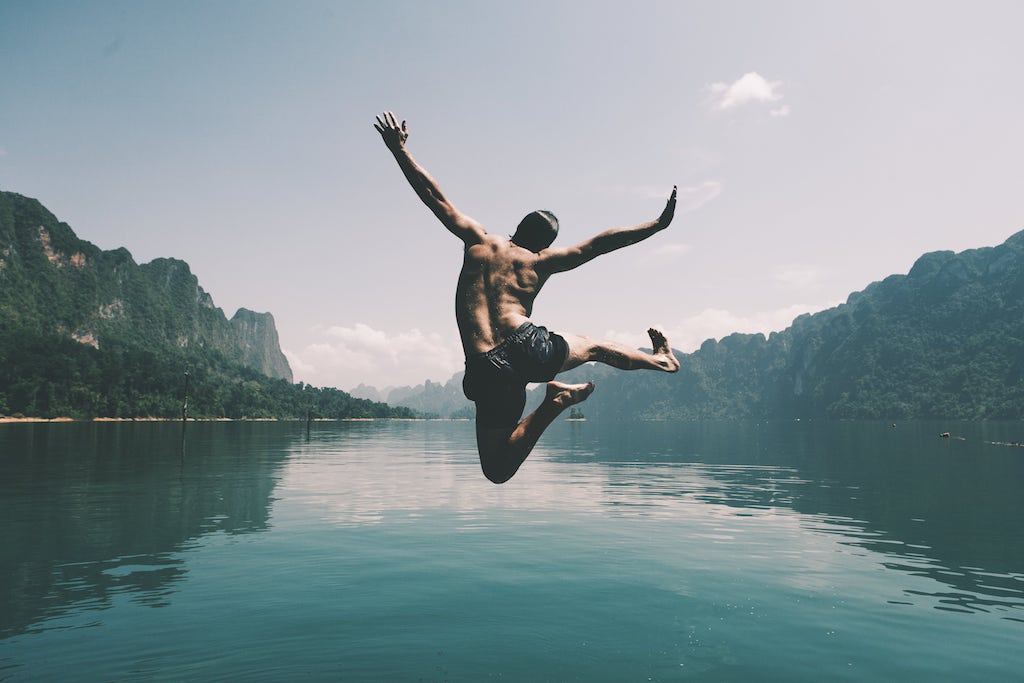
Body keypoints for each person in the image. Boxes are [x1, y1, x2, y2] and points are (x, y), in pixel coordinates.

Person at [374, 111, 680, 484]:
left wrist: (399, 150)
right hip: (528, 345)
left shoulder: (479, 240)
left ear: (517, 226)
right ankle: (660, 361)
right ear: (547, 243)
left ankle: (554, 403)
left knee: (497, 470)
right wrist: (657, 225)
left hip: (485, 366)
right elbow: (600, 244)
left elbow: (435, 198)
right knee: (597, 347)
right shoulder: (541, 262)